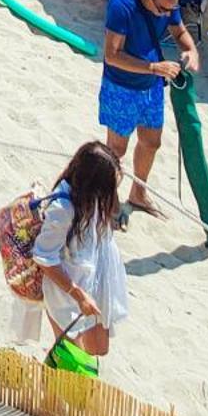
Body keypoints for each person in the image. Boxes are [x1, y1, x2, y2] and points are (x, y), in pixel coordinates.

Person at [99, 0, 199, 217]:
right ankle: (108, 201)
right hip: (121, 85)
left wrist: (190, 50)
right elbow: (112, 56)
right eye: (163, 9)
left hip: (151, 85)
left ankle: (138, 193)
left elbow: (179, 31)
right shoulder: (122, 5)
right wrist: (153, 67)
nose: (167, 13)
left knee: (151, 142)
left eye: (171, 9)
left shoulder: (167, 1)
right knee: (116, 150)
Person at [24, 141, 129, 369]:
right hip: (67, 291)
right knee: (72, 357)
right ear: (94, 185)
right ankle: (50, 391)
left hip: (92, 276)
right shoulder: (63, 209)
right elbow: (43, 257)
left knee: (98, 348)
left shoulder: (90, 198)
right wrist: (78, 295)